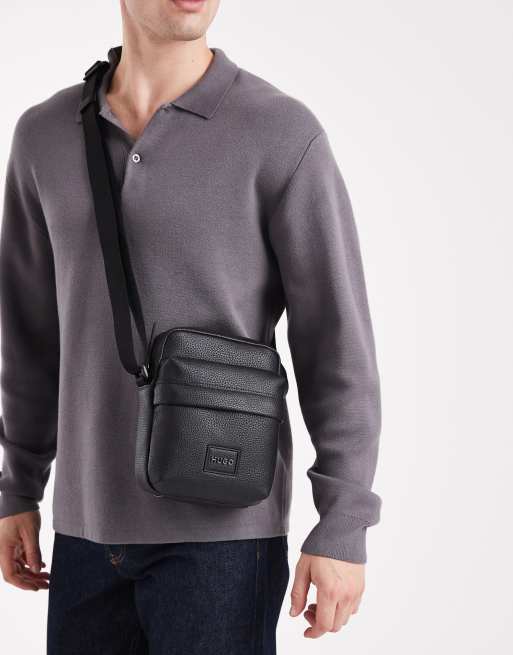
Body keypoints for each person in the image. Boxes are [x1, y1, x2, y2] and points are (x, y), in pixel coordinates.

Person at [0, 1, 382, 653]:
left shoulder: (280, 132)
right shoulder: (45, 136)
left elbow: (336, 343)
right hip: (84, 534)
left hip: (223, 539)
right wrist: (17, 487)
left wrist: (344, 521)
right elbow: (28, 336)